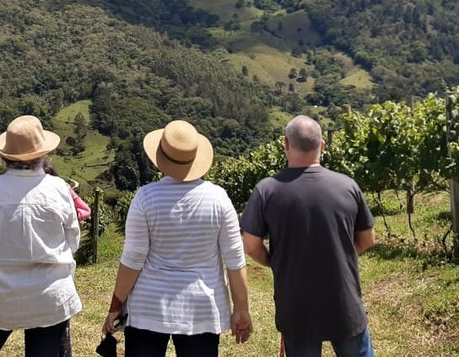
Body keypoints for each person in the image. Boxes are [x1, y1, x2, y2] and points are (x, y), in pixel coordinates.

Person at [102, 120, 252, 357]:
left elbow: (133, 258)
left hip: (148, 306)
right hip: (202, 308)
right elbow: (235, 259)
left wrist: (115, 307)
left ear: (160, 158)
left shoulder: (145, 198)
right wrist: (241, 308)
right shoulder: (218, 199)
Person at [240, 115, 377, 357]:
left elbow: (250, 246)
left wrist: (277, 261)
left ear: (286, 144)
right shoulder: (348, 186)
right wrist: (339, 255)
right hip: (344, 303)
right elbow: (368, 239)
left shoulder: (266, 190)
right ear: (322, 145)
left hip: (295, 307)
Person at [0, 115, 82, 357]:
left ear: (5, 156)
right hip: (51, 297)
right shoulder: (59, 187)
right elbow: (73, 242)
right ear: (44, 154)